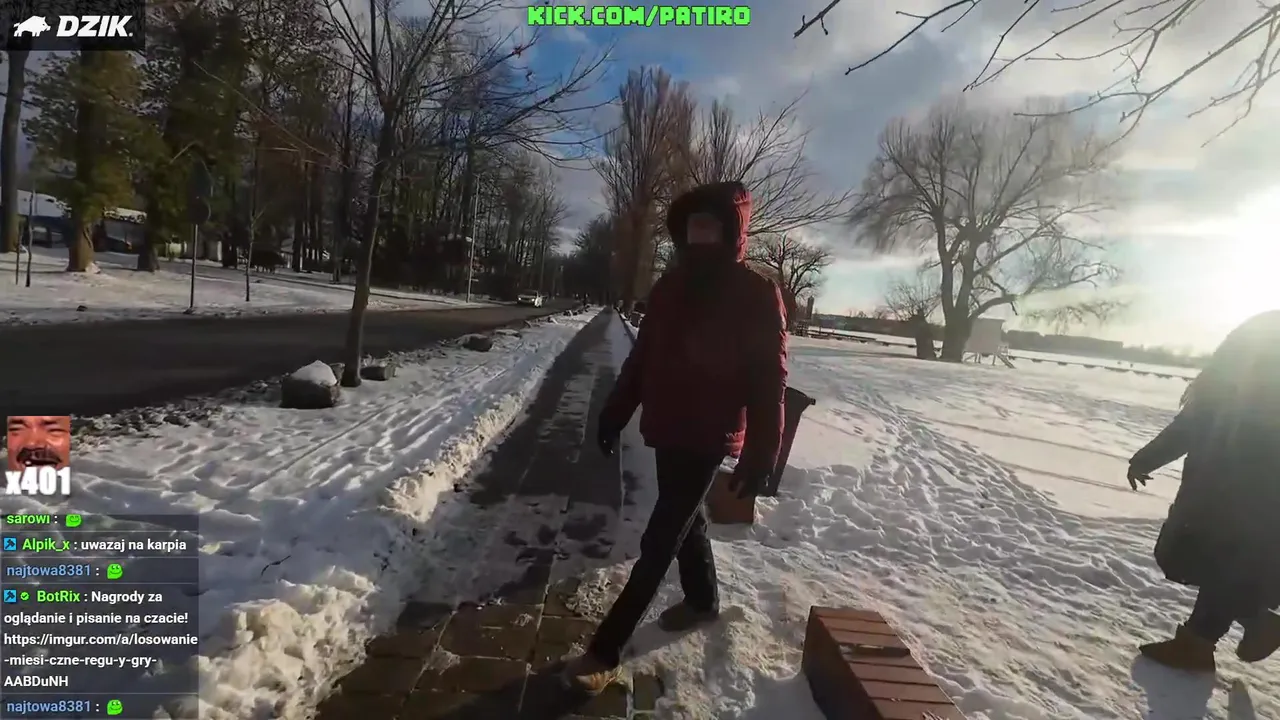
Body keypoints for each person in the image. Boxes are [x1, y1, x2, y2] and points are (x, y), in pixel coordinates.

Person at [562, 181, 788, 693]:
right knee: (685, 521)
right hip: (666, 426)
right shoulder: (669, 289)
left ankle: (605, 650)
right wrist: (614, 412)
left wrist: (762, 451)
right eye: (692, 226)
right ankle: (703, 600)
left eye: (710, 225)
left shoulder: (756, 293)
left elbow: (769, 379)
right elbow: (642, 359)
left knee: (661, 536)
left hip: (710, 433)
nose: (699, 234)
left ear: (732, 232)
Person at [1128, 310, 1280, 672]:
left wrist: (1144, 460)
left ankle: (1251, 623)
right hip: (1262, 500)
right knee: (1229, 565)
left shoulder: (1231, 381)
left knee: (1191, 555)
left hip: (1221, 492)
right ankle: (1201, 643)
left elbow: (1188, 429)